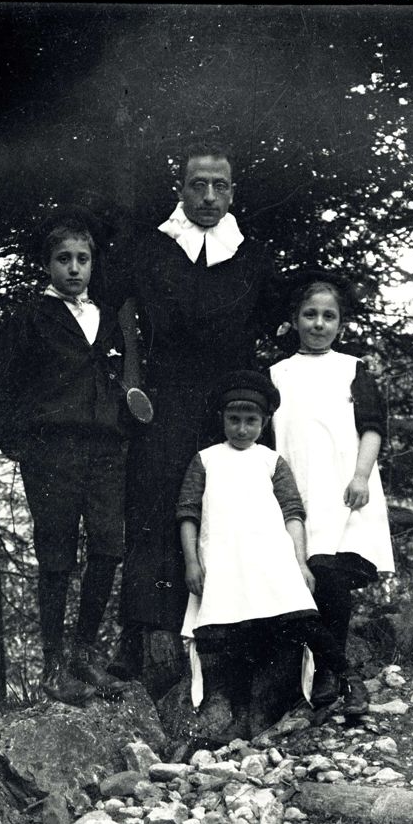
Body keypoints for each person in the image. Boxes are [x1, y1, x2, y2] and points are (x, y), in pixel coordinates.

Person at [106, 142, 283, 681]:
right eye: (198, 185)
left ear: (233, 191)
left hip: (228, 406)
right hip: (164, 401)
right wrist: (134, 383)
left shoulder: (252, 254)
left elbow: (273, 329)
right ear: (180, 190)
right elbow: (121, 312)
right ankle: (138, 640)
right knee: (153, 508)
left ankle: (226, 637)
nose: (209, 197)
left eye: (220, 186)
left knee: (230, 509)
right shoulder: (150, 249)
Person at [0, 210, 131, 706]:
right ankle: (52, 667)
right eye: (63, 259)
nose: (74, 268)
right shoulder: (29, 320)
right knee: (56, 555)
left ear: (93, 265)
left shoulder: (109, 319)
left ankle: (84, 655)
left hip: (107, 450)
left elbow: (129, 379)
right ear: (46, 265)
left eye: (83, 259)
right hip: (53, 453)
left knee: (109, 547)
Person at [176, 371, 351, 740]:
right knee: (236, 639)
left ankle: (348, 681)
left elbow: (293, 514)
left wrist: (300, 563)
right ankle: (242, 716)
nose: (242, 429)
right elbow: (188, 513)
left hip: (271, 560)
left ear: (264, 422)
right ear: (222, 419)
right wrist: (192, 562)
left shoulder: (272, 462)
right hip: (226, 563)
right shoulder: (205, 460)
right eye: (234, 420)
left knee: (302, 620)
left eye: (251, 421)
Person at [268, 276, 395, 711]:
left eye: (329, 316)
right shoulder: (276, 375)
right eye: (310, 314)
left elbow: (372, 428)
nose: (319, 324)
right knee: (307, 573)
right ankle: (339, 673)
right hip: (299, 493)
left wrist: (360, 476)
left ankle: (326, 674)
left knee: (332, 572)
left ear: (340, 324)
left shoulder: (352, 368)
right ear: (294, 320)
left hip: (345, 491)